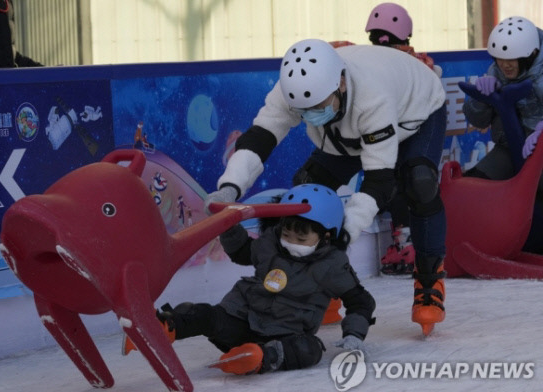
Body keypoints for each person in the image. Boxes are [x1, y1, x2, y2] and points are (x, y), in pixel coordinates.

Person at [205, 38, 448, 335]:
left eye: (316, 107)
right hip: (349, 123)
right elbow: (260, 137)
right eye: (302, 110)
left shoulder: (372, 98)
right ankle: (314, 288)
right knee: (307, 192)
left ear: (341, 84)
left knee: (418, 181)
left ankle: (428, 281)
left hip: (416, 111)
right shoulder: (293, 89)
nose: (309, 116)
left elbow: (379, 181)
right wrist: (229, 187)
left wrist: (345, 234)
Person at [127, 184, 376, 375]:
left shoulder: (332, 265)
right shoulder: (271, 243)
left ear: (327, 236)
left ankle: (258, 359)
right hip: (242, 321)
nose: (290, 243)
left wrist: (354, 332)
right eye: (286, 234)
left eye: (301, 240)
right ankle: (162, 328)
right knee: (204, 314)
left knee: (311, 350)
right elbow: (241, 251)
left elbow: (360, 302)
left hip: (285, 336)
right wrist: (226, 223)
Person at [330, 3, 441, 275]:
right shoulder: (366, 58)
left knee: (414, 179)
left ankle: (417, 249)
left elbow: (429, 79)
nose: (383, 44)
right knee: (385, 179)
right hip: (381, 126)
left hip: (411, 124)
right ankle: (400, 240)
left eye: (389, 39)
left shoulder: (415, 62)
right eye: (378, 38)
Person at [462, 16, 543, 253]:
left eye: (512, 61)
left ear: (529, 55)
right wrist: (481, 98)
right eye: (500, 60)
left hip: (539, 147)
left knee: (536, 185)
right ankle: (484, 240)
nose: (504, 66)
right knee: (476, 184)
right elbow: (477, 119)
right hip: (510, 146)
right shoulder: (496, 71)